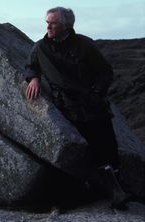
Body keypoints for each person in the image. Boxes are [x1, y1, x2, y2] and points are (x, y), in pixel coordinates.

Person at [24, 7, 129, 209]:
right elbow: (31, 66)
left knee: (107, 145)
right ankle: (75, 194)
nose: (48, 26)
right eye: (47, 22)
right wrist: (34, 79)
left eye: (53, 22)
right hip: (65, 107)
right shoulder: (40, 48)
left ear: (67, 25)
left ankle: (116, 191)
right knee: (74, 151)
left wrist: (96, 94)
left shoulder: (84, 44)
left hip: (92, 104)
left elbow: (105, 72)